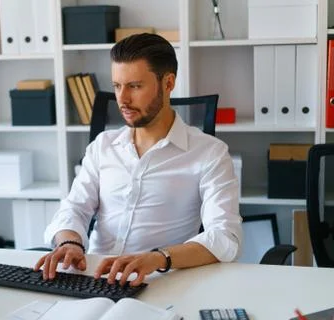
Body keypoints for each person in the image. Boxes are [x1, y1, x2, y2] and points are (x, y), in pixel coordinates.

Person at [34, 33, 242, 287]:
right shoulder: (103, 146)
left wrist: (157, 258)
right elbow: (74, 208)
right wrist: (69, 243)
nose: (122, 99)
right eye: (117, 86)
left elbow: (225, 237)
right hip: (91, 279)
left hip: (156, 283)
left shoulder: (209, 154)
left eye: (134, 86)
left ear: (168, 83)